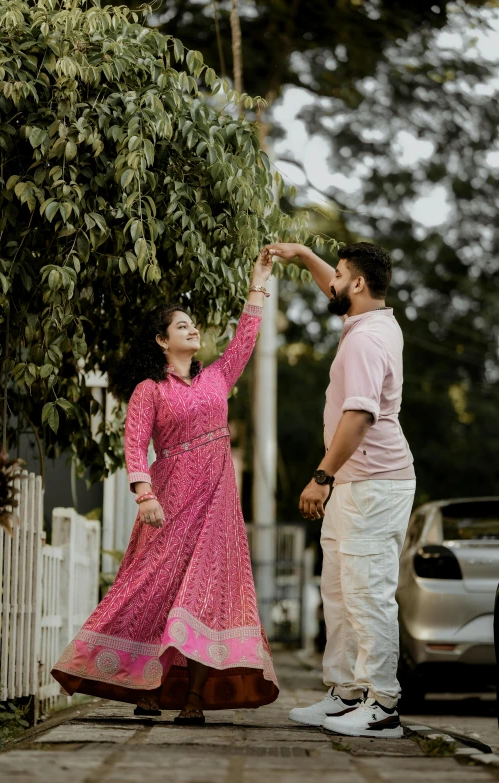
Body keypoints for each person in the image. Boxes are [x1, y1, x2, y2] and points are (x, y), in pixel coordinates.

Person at [51, 251, 279, 724]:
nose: (193, 330)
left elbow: (245, 339)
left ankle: (194, 698)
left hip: (217, 507)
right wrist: (144, 494)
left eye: (193, 324)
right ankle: (146, 684)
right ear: (161, 340)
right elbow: (134, 444)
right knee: (154, 590)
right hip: (168, 504)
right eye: (181, 326)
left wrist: (258, 282)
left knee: (206, 595)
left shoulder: (218, 378)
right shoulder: (150, 390)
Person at [263, 241, 415, 739]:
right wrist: (305, 254)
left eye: (341, 275)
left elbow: (360, 416)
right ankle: (346, 691)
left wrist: (321, 477)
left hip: (373, 482)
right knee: (340, 591)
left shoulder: (365, 341)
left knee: (367, 592)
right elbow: (331, 280)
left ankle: (383, 703)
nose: (332, 281)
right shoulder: (366, 323)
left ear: (358, 285)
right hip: (357, 483)